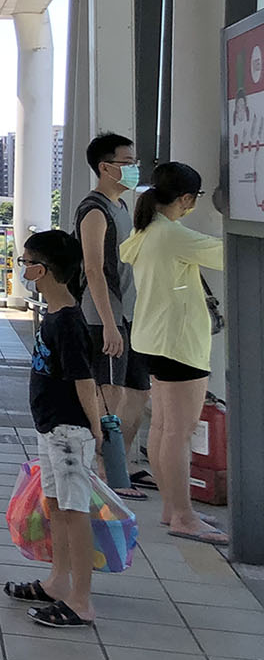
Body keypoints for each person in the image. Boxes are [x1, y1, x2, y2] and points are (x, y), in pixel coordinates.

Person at [120, 162, 227, 544]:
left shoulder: (146, 230)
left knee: (164, 428)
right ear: (184, 199)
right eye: (194, 198)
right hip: (180, 344)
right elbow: (225, 253)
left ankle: (172, 507)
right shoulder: (171, 235)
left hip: (153, 340)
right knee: (178, 434)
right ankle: (183, 514)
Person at [6, 229, 102, 627]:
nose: (23, 267)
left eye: (26, 262)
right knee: (58, 508)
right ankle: (58, 581)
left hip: (70, 433)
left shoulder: (69, 323)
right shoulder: (53, 314)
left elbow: (84, 382)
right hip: (52, 430)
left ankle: (82, 600)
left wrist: (95, 429)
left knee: (76, 513)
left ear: (42, 270)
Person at [74, 133, 149, 497]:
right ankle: (106, 473)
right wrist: (108, 323)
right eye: (127, 163)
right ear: (105, 167)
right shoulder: (94, 210)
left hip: (129, 316)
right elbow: (93, 270)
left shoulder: (122, 207)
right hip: (103, 318)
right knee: (109, 396)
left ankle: (122, 464)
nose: (133, 169)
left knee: (135, 392)